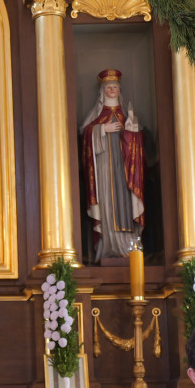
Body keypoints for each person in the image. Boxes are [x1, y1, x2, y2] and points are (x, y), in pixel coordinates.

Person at [80, 69, 146, 262]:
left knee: (125, 204)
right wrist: (102, 129)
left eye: (115, 87)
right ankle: (109, 244)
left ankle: (129, 245)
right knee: (109, 203)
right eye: (109, 87)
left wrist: (133, 133)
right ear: (103, 91)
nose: (112, 90)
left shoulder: (127, 115)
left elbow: (139, 147)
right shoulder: (97, 117)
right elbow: (86, 136)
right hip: (105, 171)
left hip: (126, 171)